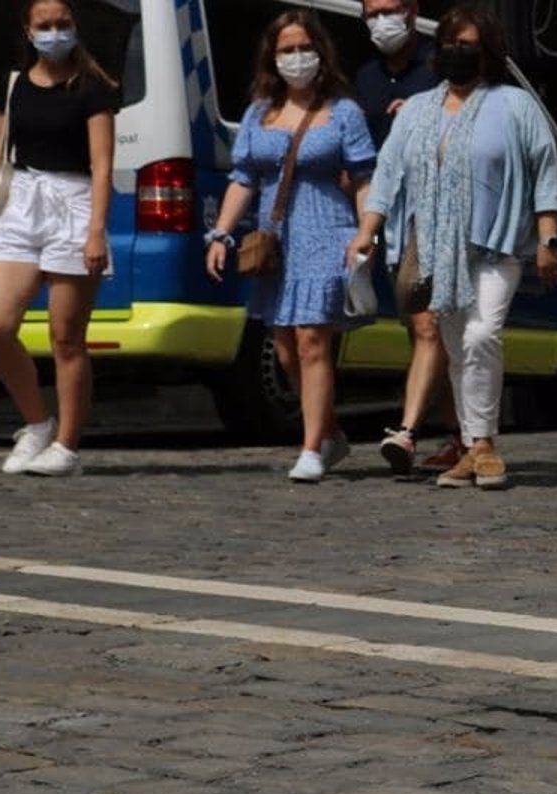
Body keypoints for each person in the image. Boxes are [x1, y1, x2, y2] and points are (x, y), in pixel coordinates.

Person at [350, 5, 557, 491]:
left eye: (467, 45)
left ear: (487, 52)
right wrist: (368, 230)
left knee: (481, 335)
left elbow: (544, 172)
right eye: (449, 43)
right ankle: (471, 448)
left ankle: (485, 443)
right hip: (436, 251)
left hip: (495, 247)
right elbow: (387, 173)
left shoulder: (515, 105)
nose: (456, 53)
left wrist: (549, 238)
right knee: (455, 348)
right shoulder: (420, 110)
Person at [205, 11, 375, 483]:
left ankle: (310, 448)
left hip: (328, 231)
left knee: (312, 340)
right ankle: (330, 433)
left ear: (321, 53)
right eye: (287, 50)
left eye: (305, 48)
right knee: (283, 347)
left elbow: (363, 177)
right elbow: (244, 178)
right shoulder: (260, 113)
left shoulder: (344, 113)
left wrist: (366, 233)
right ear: (272, 57)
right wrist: (220, 233)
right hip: (276, 240)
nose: (297, 58)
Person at [0, 0, 118, 478]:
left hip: (74, 203)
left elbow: (102, 165)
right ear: (28, 29)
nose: (55, 32)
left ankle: (67, 446)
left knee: (67, 337)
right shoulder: (15, 83)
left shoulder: (92, 87)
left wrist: (96, 231)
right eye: (45, 25)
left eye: (63, 24)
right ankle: (37, 423)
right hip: (22, 200)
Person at [352, 0, 460, 477]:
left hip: (437, 214)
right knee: (424, 331)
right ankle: (464, 435)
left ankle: (408, 429)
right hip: (388, 219)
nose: (382, 21)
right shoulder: (367, 78)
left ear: (413, 10)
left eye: (390, 9)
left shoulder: (441, 66)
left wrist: (423, 118)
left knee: (429, 327)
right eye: (372, 12)